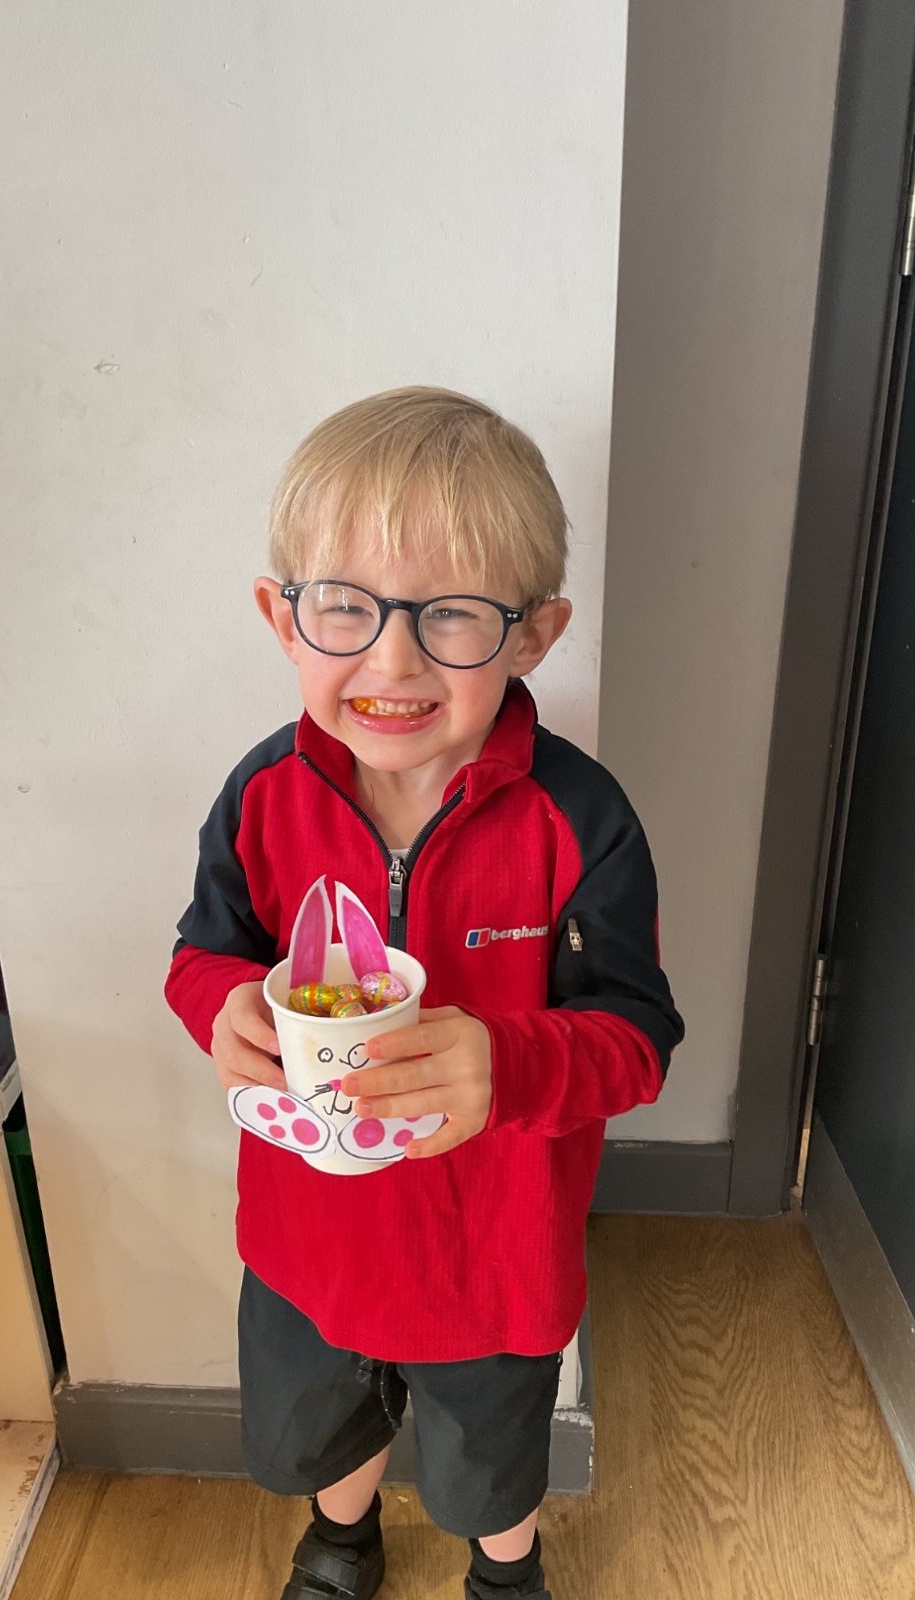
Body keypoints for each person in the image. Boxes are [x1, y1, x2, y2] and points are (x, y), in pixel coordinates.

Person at [165, 387, 684, 1600]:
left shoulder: (581, 819)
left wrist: (511, 1062)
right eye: (345, 606)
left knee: (487, 1463)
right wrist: (222, 1006)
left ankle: (506, 1569)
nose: (392, 660)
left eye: (451, 614)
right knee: (322, 1425)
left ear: (533, 635)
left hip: (495, 1251)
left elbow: (637, 1039)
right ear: (282, 617)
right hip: (311, 1234)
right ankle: (344, 1537)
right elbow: (202, 953)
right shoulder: (262, 797)